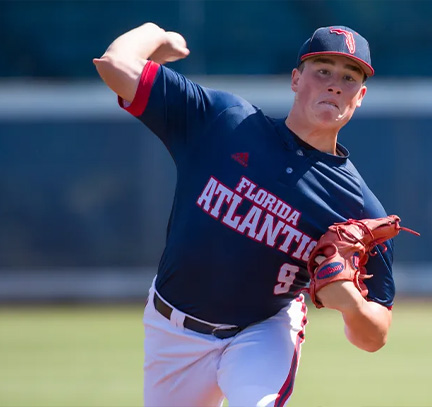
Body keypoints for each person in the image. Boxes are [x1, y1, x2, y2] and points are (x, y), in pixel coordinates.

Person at [94, 23, 403, 407]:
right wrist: (156, 34)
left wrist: (353, 307)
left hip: (262, 332)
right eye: (322, 70)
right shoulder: (224, 123)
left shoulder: (357, 207)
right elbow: (114, 66)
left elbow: (375, 337)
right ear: (295, 79)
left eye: (348, 77)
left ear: (360, 96)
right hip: (171, 329)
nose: (334, 84)